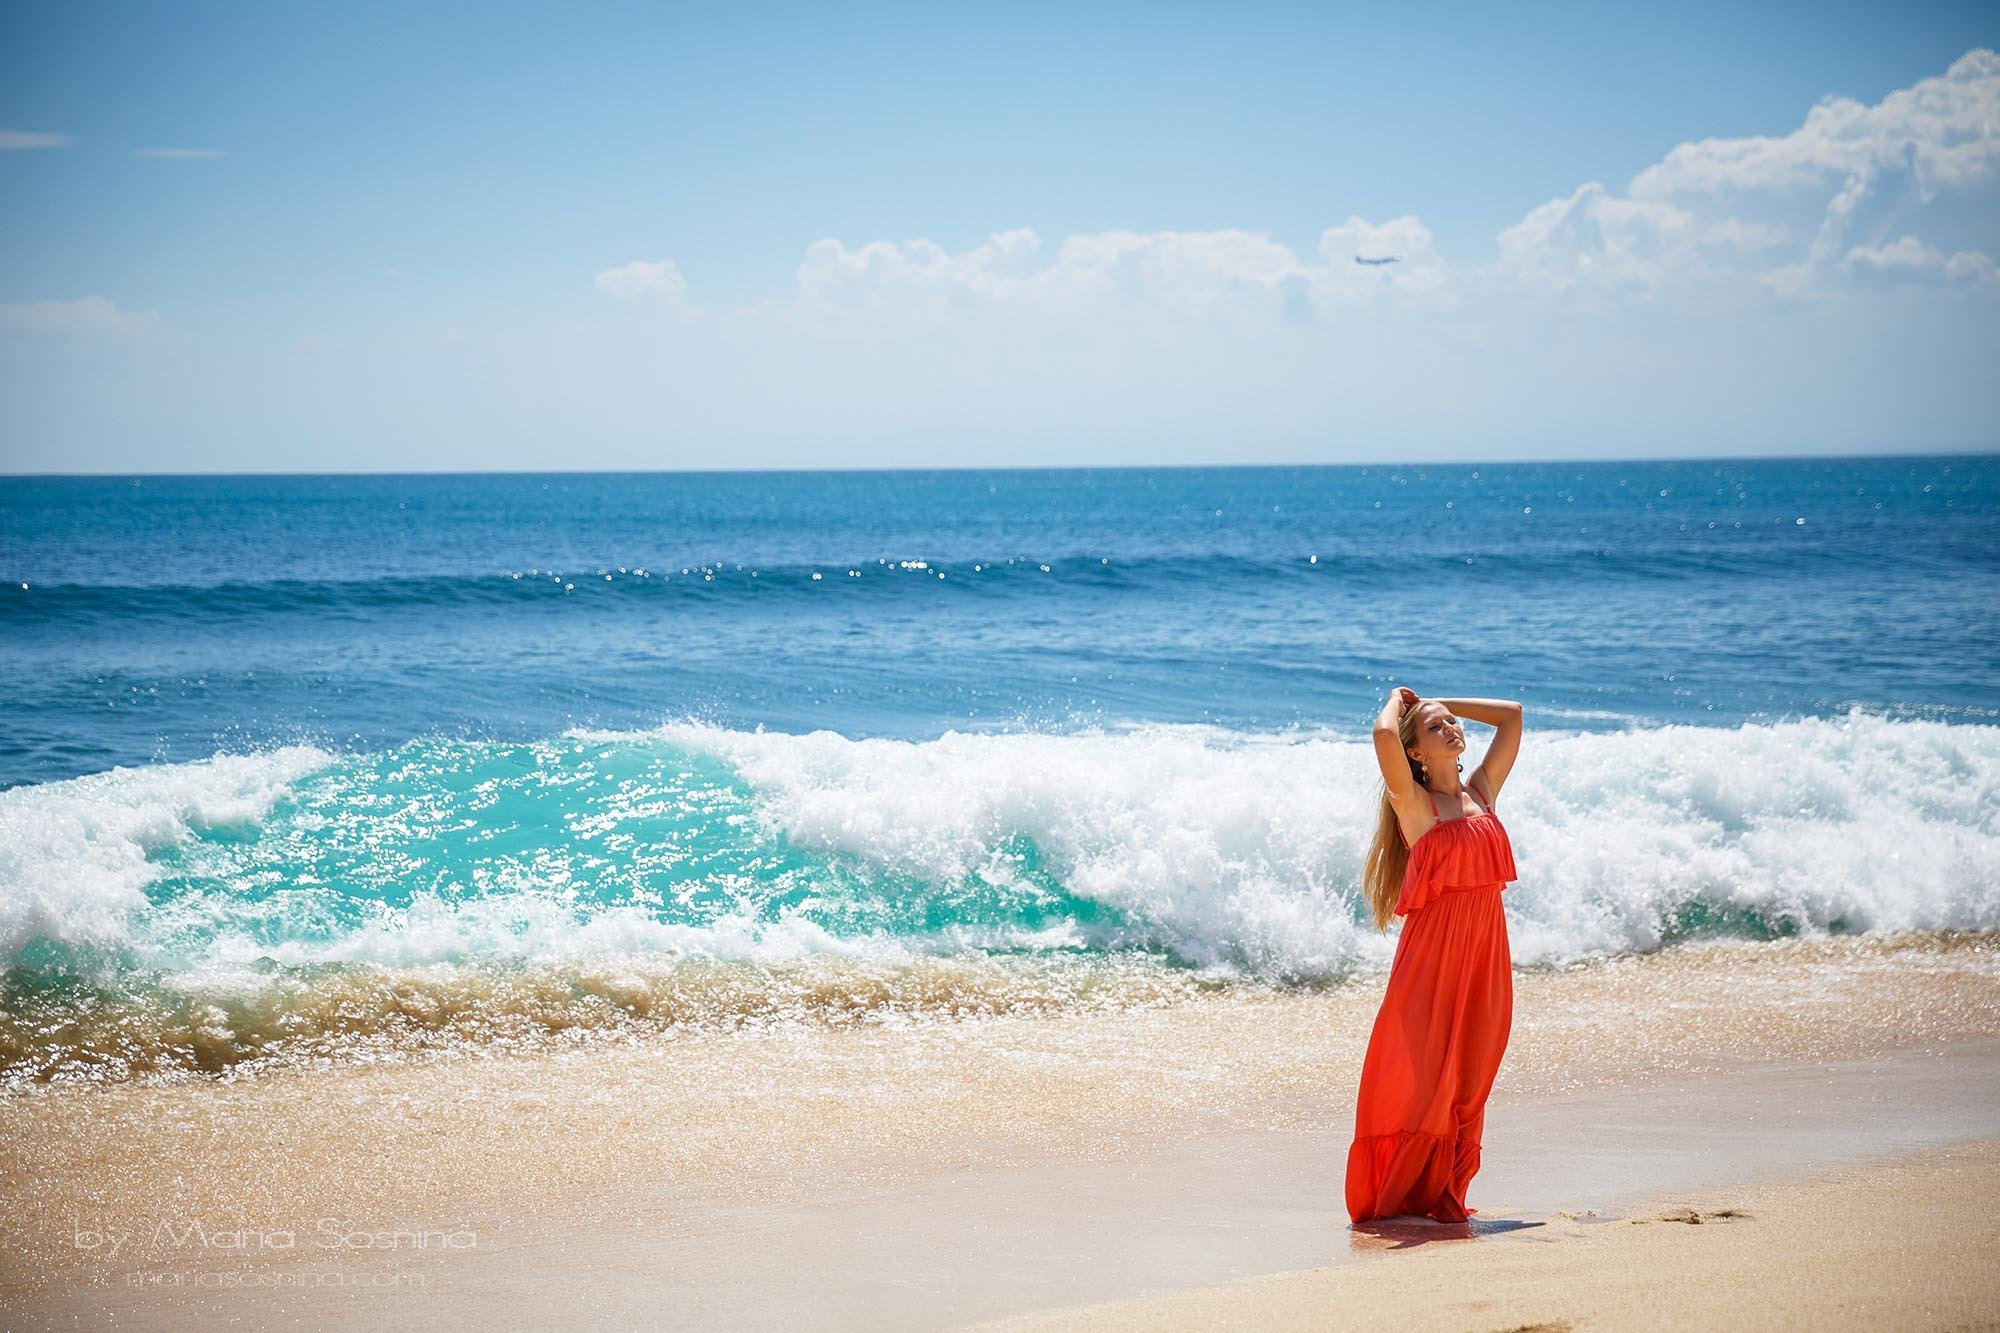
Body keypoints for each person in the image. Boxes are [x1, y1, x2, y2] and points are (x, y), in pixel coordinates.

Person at [1345, 687, 1524, 1224]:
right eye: (1434, 727)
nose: (1450, 728)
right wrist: (1397, 707)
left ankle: (1445, 1186)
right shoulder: (1415, 806)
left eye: (1451, 723)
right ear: (1415, 754)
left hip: (1485, 954)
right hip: (1432, 957)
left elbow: (1512, 717)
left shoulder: (1482, 794)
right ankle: (1396, 1192)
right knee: (1420, 1074)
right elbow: (1382, 736)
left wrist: (1440, 701)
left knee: (1472, 1068)